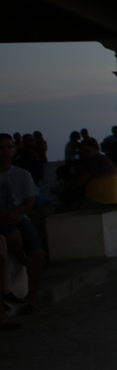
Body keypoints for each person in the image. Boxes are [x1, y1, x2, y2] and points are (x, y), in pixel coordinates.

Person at [0, 132, 45, 322]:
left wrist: (14, 214)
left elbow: (30, 201)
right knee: (14, 239)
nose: (5, 152)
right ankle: (21, 259)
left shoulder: (21, 174)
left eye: (9, 147)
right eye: (1, 148)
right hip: (4, 221)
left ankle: (31, 299)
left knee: (38, 254)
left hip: (19, 217)